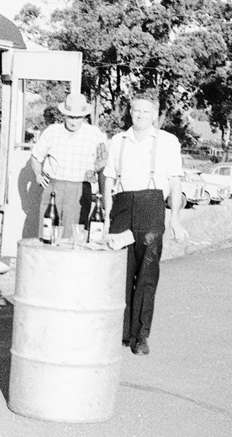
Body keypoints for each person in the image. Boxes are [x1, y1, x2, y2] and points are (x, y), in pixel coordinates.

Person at [102, 91, 188, 356]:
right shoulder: (118, 140)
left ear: (155, 114)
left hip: (152, 207)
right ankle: (121, 333)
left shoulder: (167, 141)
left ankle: (140, 336)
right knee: (120, 275)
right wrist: (107, 215)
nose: (140, 116)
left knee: (147, 276)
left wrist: (174, 218)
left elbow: (175, 181)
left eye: (146, 112)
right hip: (123, 208)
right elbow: (108, 179)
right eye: (136, 110)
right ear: (130, 111)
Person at [29, 92, 108, 238]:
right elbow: (35, 156)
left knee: (73, 236)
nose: (74, 121)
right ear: (64, 114)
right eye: (70, 116)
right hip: (54, 187)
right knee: (47, 233)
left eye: (78, 117)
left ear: (84, 116)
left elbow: (103, 165)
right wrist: (38, 175)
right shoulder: (52, 131)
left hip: (80, 189)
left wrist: (102, 194)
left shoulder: (95, 134)